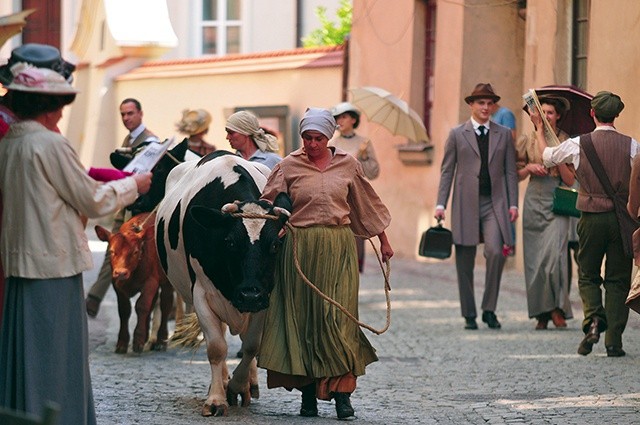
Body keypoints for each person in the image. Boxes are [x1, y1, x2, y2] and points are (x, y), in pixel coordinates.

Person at [0, 64, 152, 424]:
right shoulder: (49, 143)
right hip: (53, 262)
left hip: (20, 263)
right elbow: (93, 200)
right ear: (51, 107)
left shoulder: (10, 142)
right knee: (58, 357)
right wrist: (135, 184)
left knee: (26, 353)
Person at [258, 108, 393, 419]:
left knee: (339, 322)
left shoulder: (348, 164)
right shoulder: (288, 165)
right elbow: (268, 202)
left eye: (318, 138)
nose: (312, 144)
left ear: (329, 136)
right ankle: (307, 396)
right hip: (299, 250)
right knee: (302, 322)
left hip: (338, 247)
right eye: (307, 137)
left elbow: (366, 204)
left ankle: (342, 396)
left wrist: (384, 243)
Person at [536, 91, 639, 357]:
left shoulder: (577, 143)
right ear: (616, 115)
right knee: (618, 280)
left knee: (588, 273)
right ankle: (614, 342)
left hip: (591, 217)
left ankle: (594, 318)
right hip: (622, 218)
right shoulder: (632, 146)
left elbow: (547, 157)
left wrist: (539, 129)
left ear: (592, 113)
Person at [0, 43, 77, 327]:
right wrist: (127, 185)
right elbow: (86, 195)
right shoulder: (37, 134)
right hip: (32, 227)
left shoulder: (21, 127)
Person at [435, 83, 519, 330]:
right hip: (465, 202)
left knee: (495, 251)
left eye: (489, 103)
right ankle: (469, 313)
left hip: (495, 202)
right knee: (465, 258)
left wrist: (513, 203)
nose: (485, 107)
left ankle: (489, 309)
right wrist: (441, 204)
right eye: (480, 103)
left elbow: (510, 172)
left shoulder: (503, 134)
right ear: (471, 105)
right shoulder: (457, 134)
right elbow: (447, 171)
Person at [85, 98, 159, 317]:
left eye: (130, 113)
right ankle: (94, 298)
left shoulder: (150, 141)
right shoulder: (130, 138)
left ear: (140, 113)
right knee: (114, 252)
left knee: (137, 260)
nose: (126, 118)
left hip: (139, 211)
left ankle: (95, 299)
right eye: (123, 114)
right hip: (125, 206)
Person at [517, 95, 574, 330]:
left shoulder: (565, 140)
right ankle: (541, 312)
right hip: (533, 198)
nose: (546, 116)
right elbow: (513, 173)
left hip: (556, 199)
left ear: (558, 115)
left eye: (551, 113)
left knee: (556, 258)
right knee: (535, 261)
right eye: (544, 112)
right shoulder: (525, 140)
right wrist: (529, 168)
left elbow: (570, 179)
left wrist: (557, 158)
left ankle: (557, 308)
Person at [331, 101, 380, 272]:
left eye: (344, 117)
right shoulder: (333, 144)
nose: (340, 121)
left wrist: (364, 157)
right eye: (337, 118)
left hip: (356, 196)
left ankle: (354, 276)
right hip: (338, 197)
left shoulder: (364, 143)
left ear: (353, 119)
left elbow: (373, 173)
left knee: (356, 238)